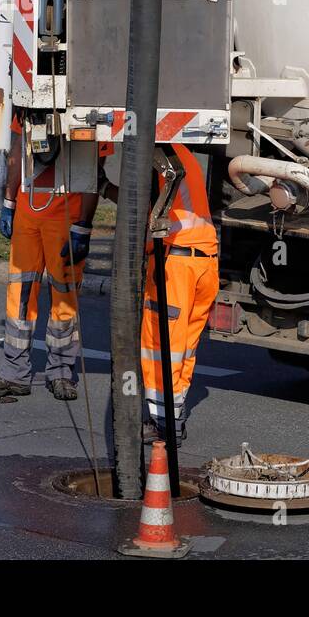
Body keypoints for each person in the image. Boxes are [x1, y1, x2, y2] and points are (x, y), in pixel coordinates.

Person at [0, 121, 99, 403]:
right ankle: (14, 373)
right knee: (20, 293)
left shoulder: (85, 110)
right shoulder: (29, 104)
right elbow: (18, 149)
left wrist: (83, 225)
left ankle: (60, 373)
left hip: (65, 215)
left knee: (64, 297)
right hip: (30, 214)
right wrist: (9, 203)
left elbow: (93, 169)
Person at [105, 144, 219, 445]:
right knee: (184, 349)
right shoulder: (181, 153)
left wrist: (103, 187)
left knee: (159, 344)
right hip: (206, 261)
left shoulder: (153, 157)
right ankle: (174, 417)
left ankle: (160, 423)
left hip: (176, 264)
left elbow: (139, 210)